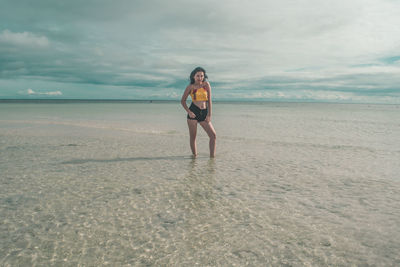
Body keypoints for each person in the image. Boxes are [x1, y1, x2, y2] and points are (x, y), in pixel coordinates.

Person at [181, 67, 216, 158]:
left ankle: (212, 158)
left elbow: (209, 100)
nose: (200, 78)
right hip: (193, 112)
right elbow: (183, 101)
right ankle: (194, 157)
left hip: (204, 113)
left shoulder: (206, 85)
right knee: (193, 137)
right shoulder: (190, 87)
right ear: (193, 76)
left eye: (202, 76)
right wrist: (189, 112)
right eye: (198, 76)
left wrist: (209, 115)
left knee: (213, 136)